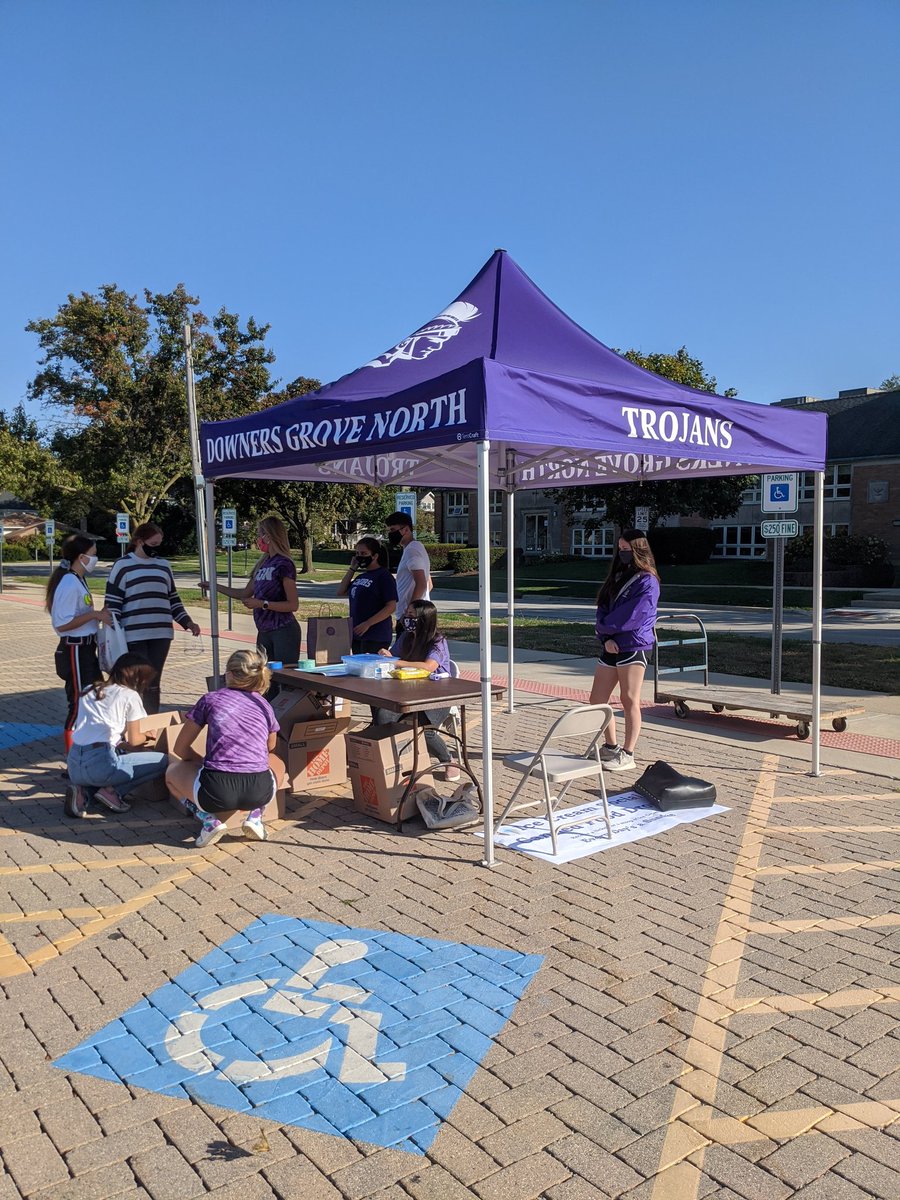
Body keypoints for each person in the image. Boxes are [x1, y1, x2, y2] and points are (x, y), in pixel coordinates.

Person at [165, 648, 281, 848]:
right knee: (277, 762)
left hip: (215, 790)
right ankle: (255, 816)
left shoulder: (210, 699)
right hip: (258, 789)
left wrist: (198, 761)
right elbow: (271, 746)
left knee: (171, 773)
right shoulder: (264, 705)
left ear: (228, 674)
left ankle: (208, 821)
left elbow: (180, 748)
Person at [105, 522, 202, 714]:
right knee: (137, 679)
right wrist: (113, 633)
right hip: (134, 633)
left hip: (161, 633)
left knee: (154, 680)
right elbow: (113, 602)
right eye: (154, 544)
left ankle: (151, 722)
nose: (157, 548)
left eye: (160, 544)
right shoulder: (123, 565)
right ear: (140, 541)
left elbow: (172, 598)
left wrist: (187, 622)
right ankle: (132, 720)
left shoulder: (164, 566)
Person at [64, 652, 169, 819]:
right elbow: (135, 740)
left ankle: (83, 794)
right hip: (102, 762)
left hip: (75, 763)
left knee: (113, 762)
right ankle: (113, 792)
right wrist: (150, 736)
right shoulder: (129, 696)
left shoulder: (88, 690)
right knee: (165, 761)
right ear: (138, 678)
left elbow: (104, 734)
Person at [590, 528, 661, 772]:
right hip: (611, 642)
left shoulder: (647, 580)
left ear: (638, 549)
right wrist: (605, 635)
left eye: (626, 550)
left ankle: (628, 753)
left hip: (634, 643)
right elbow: (604, 606)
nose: (622, 554)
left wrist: (606, 629)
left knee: (628, 698)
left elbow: (635, 615)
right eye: (619, 549)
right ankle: (610, 746)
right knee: (597, 699)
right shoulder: (617, 576)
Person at [375, 599, 459, 782]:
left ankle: (448, 760)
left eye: (411, 615)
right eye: (406, 614)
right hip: (407, 691)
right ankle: (394, 759)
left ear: (423, 619)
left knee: (422, 729)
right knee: (383, 716)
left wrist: (397, 662)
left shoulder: (438, 641)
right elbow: (394, 655)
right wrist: (386, 654)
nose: (406, 618)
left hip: (437, 696)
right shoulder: (406, 636)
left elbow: (429, 666)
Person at [46, 534, 113, 753]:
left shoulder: (77, 579)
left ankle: (88, 749)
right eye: (93, 555)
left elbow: (81, 614)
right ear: (81, 557)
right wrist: (94, 615)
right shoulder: (68, 582)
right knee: (77, 702)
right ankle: (73, 758)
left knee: (95, 696)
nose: (95, 559)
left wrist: (98, 615)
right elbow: (62, 623)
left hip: (86, 648)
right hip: (74, 648)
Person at [211, 515, 300, 673]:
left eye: (260, 534)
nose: (258, 539)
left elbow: (293, 605)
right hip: (264, 631)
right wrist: (214, 586)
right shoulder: (263, 564)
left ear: (269, 536)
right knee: (264, 680)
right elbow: (244, 593)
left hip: (283, 630)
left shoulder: (284, 564)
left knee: (285, 679)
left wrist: (262, 604)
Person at [336, 537, 397, 654]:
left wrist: (368, 623)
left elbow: (391, 606)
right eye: (357, 553)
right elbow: (341, 591)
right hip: (357, 634)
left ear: (374, 556)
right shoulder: (362, 576)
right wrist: (352, 568)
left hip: (375, 635)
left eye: (364, 553)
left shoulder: (384, 576)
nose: (360, 556)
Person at [385, 511, 430, 630]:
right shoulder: (413, 549)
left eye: (393, 530)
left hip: (412, 616)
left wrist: (408, 612)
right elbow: (429, 583)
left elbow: (422, 585)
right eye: (389, 530)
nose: (391, 534)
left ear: (406, 529)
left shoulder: (412, 551)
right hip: (413, 613)